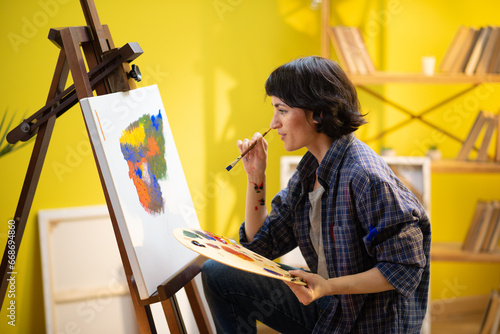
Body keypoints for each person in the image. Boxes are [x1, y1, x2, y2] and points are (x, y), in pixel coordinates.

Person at [202, 56, 431, 333]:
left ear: (317, 113)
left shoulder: (364, 176)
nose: (274, 123)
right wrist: (256, 178)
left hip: (364, 322)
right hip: (330, 305)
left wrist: (328, 286)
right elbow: (260, 243)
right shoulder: (309, 170)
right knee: (219, 273)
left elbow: (404, 267)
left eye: (282, 110)